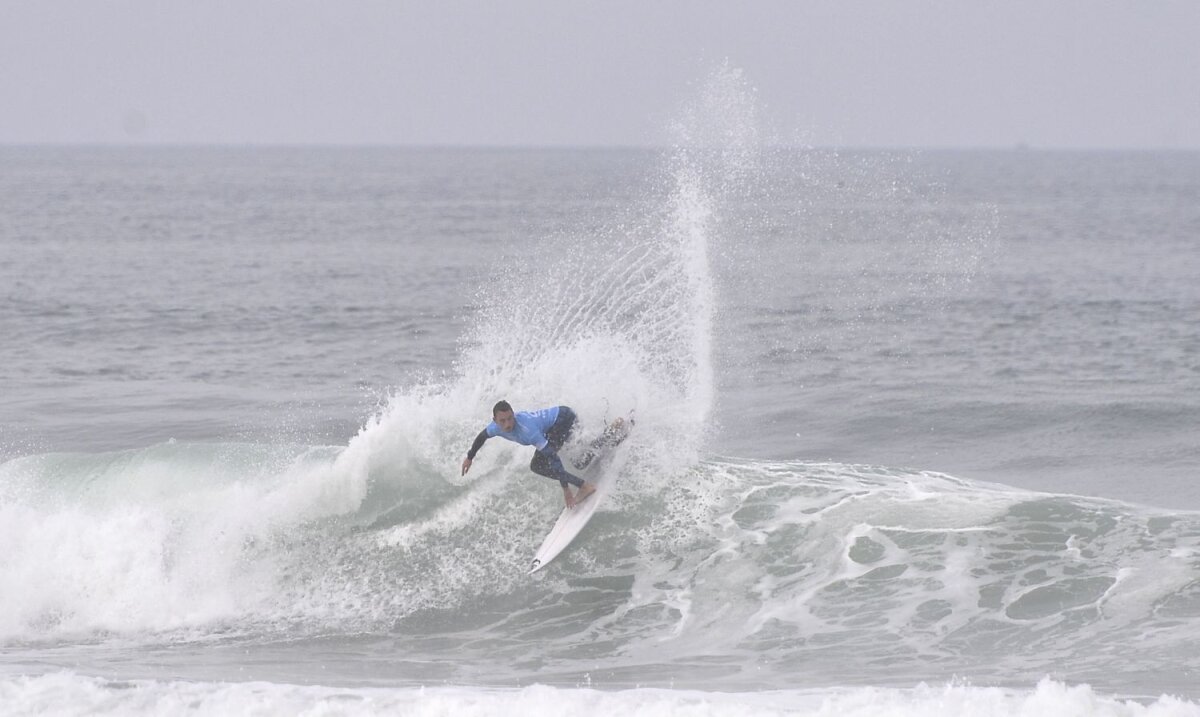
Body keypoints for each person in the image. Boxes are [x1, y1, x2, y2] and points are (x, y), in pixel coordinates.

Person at [461, 401, 597, 509]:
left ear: (513, 414)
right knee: (579, 461)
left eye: (510, 418)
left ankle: (584, 486)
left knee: (540, 465)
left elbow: (553, 457)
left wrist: (566, 489)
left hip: (564, 420)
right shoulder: (494, 428)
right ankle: (612, 434)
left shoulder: (527, 431)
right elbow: (482, 437)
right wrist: (469, 457)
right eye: (502, 421)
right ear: (495, 420)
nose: (508, 424)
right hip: (557, 420)